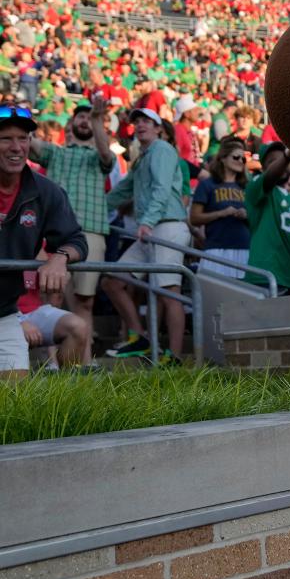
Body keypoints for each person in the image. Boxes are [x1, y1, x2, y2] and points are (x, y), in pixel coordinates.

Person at [0, 104, 87, 375]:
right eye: (6, 139)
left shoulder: (45, 191)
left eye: (23, 138)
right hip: (11, 310)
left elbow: (75, 239)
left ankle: (66, 399)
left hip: (4, 312)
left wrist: (60, 257)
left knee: (15, 401)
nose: (16, 147)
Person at [101, 107, 192, 362]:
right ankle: (140, 337)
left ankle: (174, 356)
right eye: (137, 121)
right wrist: (92, 210)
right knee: (112, 281)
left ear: (158, 127)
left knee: (169, 290)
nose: (140, 125)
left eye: (146, 121)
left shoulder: (162, 149)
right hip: (150, 229)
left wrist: (147, 222)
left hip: (166, 226)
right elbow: (121, 192)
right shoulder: (142, 156)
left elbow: (162, 190)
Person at [28, 95, 113, 345]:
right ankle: (54, 365)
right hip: (54, 234)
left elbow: (106, 154)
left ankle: (81, 364)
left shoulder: (98, 157)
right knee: (52, 298)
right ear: (72, 122)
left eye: (90, 117)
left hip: (91, 230)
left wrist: (98, 120)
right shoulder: (55, 153)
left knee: (85, 300)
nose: (85, 121)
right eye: (81, 116)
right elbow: (28, 143)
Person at [244, 144, 290, 295]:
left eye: (281, 159)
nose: (280, 164)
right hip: (268, 274)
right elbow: (269, 178)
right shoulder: (255, 187)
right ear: (263, 169)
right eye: (272, 162)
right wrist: (287, 156)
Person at [190, 139, 250, 279]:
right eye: (236, 157)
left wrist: (247, 215)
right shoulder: (207, 185)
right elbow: (194, 218)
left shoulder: (247, 186)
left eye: (243, 158)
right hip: (216, 249)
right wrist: (221, 213)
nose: (240, 160)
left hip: (245, 249)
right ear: (223, 158)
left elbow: (257, 219)